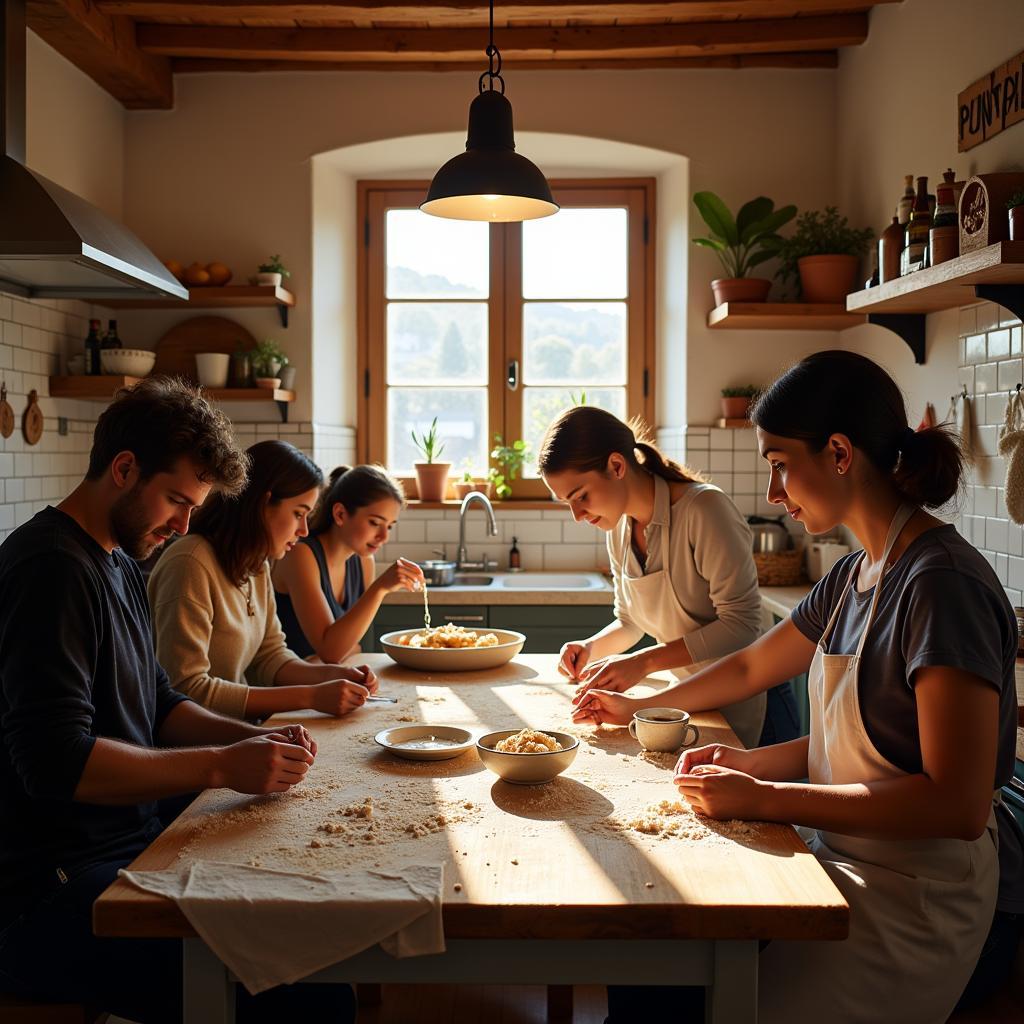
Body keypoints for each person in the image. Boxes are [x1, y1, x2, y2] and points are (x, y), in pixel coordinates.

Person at [574, 351, 1023, 1023]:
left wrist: (764, 793)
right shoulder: (853, 577)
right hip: (841, 852)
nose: (773, 494)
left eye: (781, 465)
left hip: (914, 895)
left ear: (839, 453)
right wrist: (740, 758)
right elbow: (761, 671)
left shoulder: (941, 586)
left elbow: (955, 805)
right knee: (662, 966)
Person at [0, 378, 355, 1023]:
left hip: (128, 844)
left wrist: (247, 741)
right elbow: (55, 762)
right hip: (47, 893)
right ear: (124, 468)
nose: (185, 524)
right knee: (309, 995)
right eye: (175, 500)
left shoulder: (116, 556)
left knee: (313, 926)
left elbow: (162, 700)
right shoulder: (49, 570)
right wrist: (221, 766)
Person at [539, 405, 798, 749]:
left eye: (581, 496)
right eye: (566, 502)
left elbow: (742, 625)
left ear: (617, 466)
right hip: (691, 699)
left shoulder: (704, 510)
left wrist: (644, 662)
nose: (576, 515)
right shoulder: (618, 528)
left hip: (755, 699)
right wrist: (589, 648)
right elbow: (630, 621)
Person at [148, 440, 378, 721]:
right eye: (298, 514)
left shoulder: (256, 564)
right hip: (195, 747)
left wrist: (333, 675)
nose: (304, 530)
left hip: (236, 735)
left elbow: (270, 656)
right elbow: (186, 689)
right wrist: (311, 696)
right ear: (263, 503)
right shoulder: (190, 564)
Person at [272, 465, 425, 662]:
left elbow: (352, 647)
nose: (383, 536)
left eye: (389, 526)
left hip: (327, 681)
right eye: (374, 523)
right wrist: (379, 588)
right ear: (340, 514)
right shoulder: (300, 555)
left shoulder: (364, 561)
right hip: (287, 687)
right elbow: (332, 651)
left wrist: (331, 655)